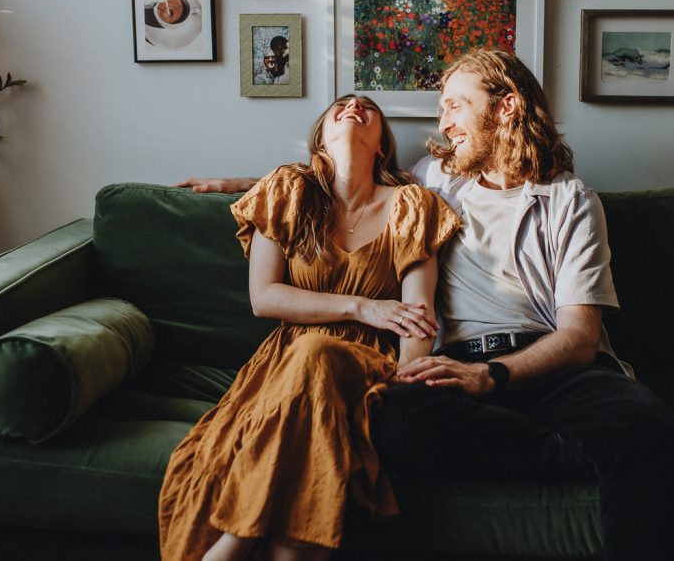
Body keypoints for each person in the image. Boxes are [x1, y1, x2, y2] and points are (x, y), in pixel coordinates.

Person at [176, 49, 674, 559]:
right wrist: (240, 183)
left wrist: (489, 377)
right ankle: (633, 453)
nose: (442, 123)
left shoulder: (572, 201)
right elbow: (346, 184)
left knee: (640, 421)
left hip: (558, 368)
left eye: (454, 106)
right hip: (454, 362)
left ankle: (643, 446)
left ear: (507, 108)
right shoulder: (436, 181)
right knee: (396, 426)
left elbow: (578, 338)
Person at [159, 94, 459, 561]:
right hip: (286, 362)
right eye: (341, 105)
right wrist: (360, 307)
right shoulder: (287, 192)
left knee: (317, 354)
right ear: (320, 138)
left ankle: (235, 542)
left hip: (368, 365)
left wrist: (406, 387)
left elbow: (418, 316)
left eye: (368, 107)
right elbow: (265, 297)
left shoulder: (412, 205)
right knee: (311, 356)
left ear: (382, 146)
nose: (355, 106)